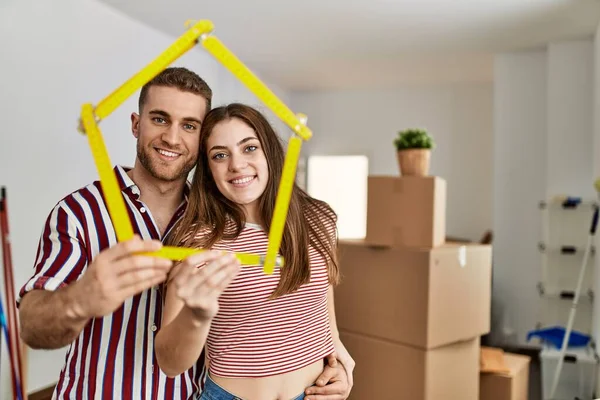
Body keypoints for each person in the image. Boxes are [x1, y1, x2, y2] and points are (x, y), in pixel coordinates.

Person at [16, 67, 351, 399]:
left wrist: (339, 356)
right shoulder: (81, 212)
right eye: (160, 119)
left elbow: (310, 305)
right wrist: (80, 299)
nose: (173, 138)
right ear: (136, 124)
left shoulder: (209, 218)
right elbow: (32, 326)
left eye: (189, 126)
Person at [154, 103, 355, 400]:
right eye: (220, 155)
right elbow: (170, 364)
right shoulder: (198, 243)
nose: (237, 165)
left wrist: (341, 363)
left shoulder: (318, 219)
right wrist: (197, 317)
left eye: (249, 148)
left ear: (269, 153)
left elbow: (321, 308)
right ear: (209, 170)